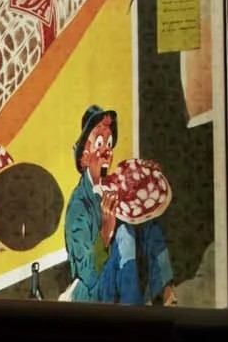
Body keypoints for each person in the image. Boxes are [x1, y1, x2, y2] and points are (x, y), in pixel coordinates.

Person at [63, 104, 174, 306]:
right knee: (125, 234)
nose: (107, 151)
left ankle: (165, 290)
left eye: (109, 143)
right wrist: (105, 232)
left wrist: (147, 175)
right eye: (99, 143)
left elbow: (135, 196)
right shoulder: (78, 206)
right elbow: (87, 273)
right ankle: (133, 309)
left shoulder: (112, 184)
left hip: (119, 274)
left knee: (150, 224)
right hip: (92, 292)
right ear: (84, 156)